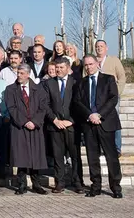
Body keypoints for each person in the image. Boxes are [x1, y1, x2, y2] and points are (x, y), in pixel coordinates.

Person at [74, 55, 123, 198]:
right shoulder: (81, 83)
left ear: (97, 64)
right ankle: (95, 186)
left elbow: (113, 98)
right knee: (92, 158)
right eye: (86, 65)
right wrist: (90, 115)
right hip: (89, 124)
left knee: (111, 157)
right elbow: (77, 102)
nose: (88, 67)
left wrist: (99, 115)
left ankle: (116, 187)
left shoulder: (108, 79)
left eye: (91, 64)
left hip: (105, 122)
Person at [4, 64, 48, 195]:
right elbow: (11, 108)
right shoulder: (10, 89)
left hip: (35, 127)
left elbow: (43, 107)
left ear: (28, 75)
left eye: (22, 73)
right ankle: (21, 184)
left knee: (36, 156)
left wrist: (35, 122)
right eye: (18, 73)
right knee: (21, 156)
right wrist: (24, 122)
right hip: (19, 127)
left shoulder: (38, 89)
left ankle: (36, 184)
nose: (19, 75)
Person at [42, 58, 85, 194]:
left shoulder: (76, 83)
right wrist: (54, 120)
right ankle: (59, 183)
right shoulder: (48, 83)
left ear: (68, 68)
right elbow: (45, 104)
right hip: (55, 126)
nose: (58, 70)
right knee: (58, 156)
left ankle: (78, 182)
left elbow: (79, 104)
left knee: (75, 156)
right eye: (57, 68)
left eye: (61, 67)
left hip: (72, 126)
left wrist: (71, 121)